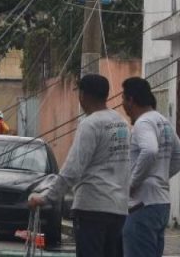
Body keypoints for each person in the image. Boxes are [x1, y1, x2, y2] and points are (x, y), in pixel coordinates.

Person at [29, 74, 130, 257]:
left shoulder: (90, 124)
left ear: (83, 95)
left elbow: (73, 169)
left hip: (92, 209)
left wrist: (47, 197)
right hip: (118, 209)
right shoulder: (121, 123)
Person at [121, 77, 180, 257]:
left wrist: (132, 184)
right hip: (161, 205)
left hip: (142, 205)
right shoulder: (162, 121)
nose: (123, 105)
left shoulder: (143, 123)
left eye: (123, 99)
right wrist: (160, 176)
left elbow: (150, 150)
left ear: (131, 100)